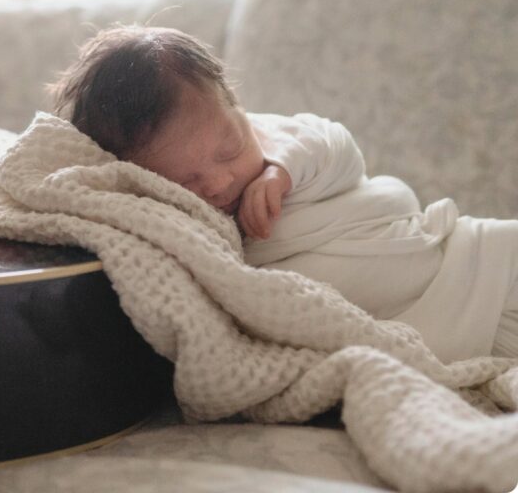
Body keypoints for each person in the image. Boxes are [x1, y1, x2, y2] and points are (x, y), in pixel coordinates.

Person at [48, 24, 518, 362]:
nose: (217, 183)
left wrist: (282, 172)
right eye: (184, 182)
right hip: (426, 332)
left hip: (468, 259)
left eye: (230, 149)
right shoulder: (173, 233)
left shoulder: (279, 141)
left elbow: (339, 146)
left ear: (239, 109)